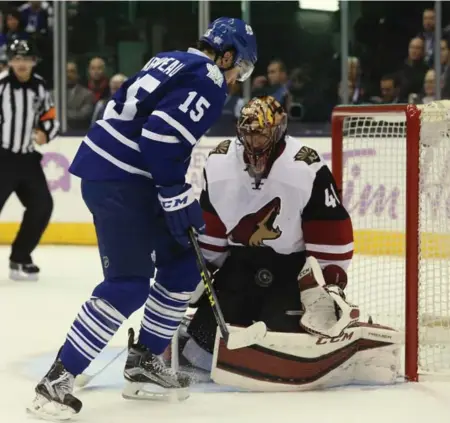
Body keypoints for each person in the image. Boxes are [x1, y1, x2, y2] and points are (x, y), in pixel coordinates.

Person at [28, 17, 257, 420]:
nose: (239, 77)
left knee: (183, 260)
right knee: (129, 285)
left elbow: (148, 133)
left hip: (125, 174)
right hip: (122, 180)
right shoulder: (208, 79)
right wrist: (176, 198)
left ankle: (143, 362)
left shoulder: (170, 59)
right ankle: (58, 378)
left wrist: (174, 198)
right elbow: (160, 139)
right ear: (227, 55)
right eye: (241, 66)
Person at [185, 95, 356, 365]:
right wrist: (196, 268)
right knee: (200, 346)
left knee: (283, 340)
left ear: (278, 131)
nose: (253, 142)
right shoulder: (218, 163)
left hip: (289, 270)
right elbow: (212, 227)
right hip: (239, 265)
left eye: (261, 135)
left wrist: (328, 283)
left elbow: (331, 232)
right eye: (248, 134)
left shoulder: (305, 168)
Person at [0, 39, 58, 281]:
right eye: (17, 58)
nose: (21, 63)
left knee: (42, 206)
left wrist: (46, 131)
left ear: (34, 62)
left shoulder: (40, 87)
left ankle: (20, 257)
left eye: (26, 59)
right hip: (2, 157)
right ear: (10, 61)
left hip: (27, 160)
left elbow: (50, 115)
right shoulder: (1, 85)